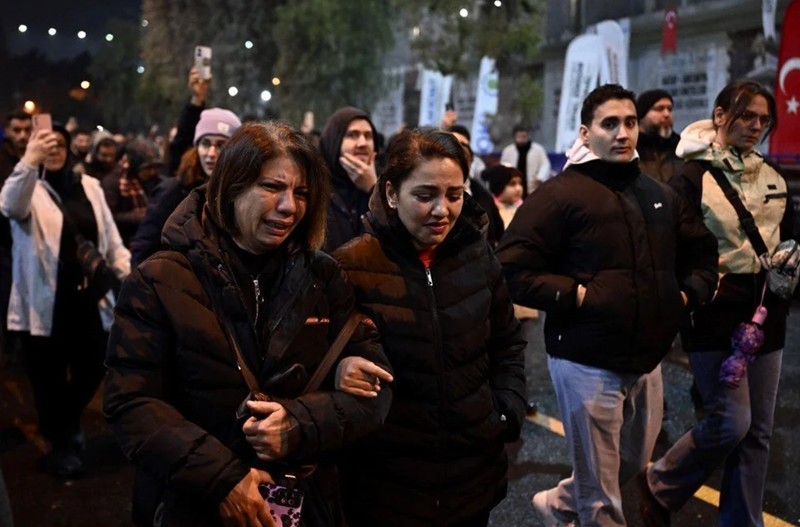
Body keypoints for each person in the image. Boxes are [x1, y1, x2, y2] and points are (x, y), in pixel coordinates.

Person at [104, 121, 392, 527]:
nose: (290, 207)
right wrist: (222, 478)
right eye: (272, 187)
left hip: (303, 505)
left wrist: (300, 423)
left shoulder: (325, 277)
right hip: (192, 506)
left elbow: (376, 395)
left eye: (302, 193)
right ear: (232, 186)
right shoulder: (160, 280)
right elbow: (131, 402)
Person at [496, 84, 718, 527]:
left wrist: (684, 296)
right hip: (585, 358)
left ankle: (557, 504)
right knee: (603, 499)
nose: (622, 133)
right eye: (609, 124)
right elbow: (510, 269)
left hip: (647, 358)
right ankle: (576, 508)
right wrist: (577, 295)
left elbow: (702, 252)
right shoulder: (559, 195)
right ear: (585, 132)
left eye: (630, 122)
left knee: (629, 465)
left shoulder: (659, 194)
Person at [333, 128, 527, 527]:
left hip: (472, 481)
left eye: (454, 195)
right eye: (425, 196)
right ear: (391, 193)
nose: (442, 210)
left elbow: (507, 343)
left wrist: (506, 410)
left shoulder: (479, 257)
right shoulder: (349, 267)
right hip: (385, 490)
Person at [640, 80, 794, 527]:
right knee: (731, 422)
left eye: (764, 120)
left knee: (757, 433)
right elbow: (677, 248)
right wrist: (695, 292)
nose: (755, 126)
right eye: (746, 115)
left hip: (769, 312)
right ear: (721, 114)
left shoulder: (771, 174)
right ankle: (660, 482)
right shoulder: (691, 177)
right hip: (713, 314)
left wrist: (790, 259)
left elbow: (790, 231)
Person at [0, 124, 130, 478]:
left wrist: (126, 272)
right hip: (44, 304)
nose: (53, 149)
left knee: (94, 365)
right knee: (48, 378)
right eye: (45, 144)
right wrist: (30, 160)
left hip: (88, 300)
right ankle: (61, 444)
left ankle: (66, 422)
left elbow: (110, 238)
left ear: (69, 148)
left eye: (59, 143)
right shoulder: (29, 187)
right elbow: (9, 205)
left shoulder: (89, 186)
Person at [130, 107, 241, 266]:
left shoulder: (239, 195)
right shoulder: (173, 191)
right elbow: (144, 249)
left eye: (220, 145)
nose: (211, 153)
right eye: (205, 143)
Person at [318, 106, 378, 252]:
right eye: (353, 135)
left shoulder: (387, 185)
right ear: (334, 141)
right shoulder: (315, 187)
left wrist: (374, 189)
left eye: (368, 136)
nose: (362, 143)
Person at [0, 111, 32, 363]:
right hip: (5, 241)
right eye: (16, 130)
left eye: (26, 130)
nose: (22, 136)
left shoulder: (39, 158)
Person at [102, 138, 164, 247]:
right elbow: (108, 217)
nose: (152, 172)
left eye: (155, 168)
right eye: (148, 168)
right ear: (135, 165)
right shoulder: (113, 182)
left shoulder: (156, 180)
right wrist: (135, 216)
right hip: (125, 240)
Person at [449, 124, 504, 248]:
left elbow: (497, 234)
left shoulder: (483, 195)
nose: (458, 151)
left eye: (463, 146)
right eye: (452, 145)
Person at [636, 89, 682, 184]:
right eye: (659, 109)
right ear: (642, 116)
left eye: (669, 109)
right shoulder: (631, 150)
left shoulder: (680, 148)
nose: (666, 114)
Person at [499, 124, 551, 197]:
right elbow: (502, 168)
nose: (521, 139)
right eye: (519, 136)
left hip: (532, 187)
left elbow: (545, 165)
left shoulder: (538, 149)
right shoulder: (508, 151)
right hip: (513, 188)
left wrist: (540, 177)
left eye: (524, 136)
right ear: (515, 137)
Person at [484, 164, 524, 229]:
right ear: (499, 187)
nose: (518, 189)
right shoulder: (490, 212)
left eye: (520, 183)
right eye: (512, 184)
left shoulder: (523, 209)